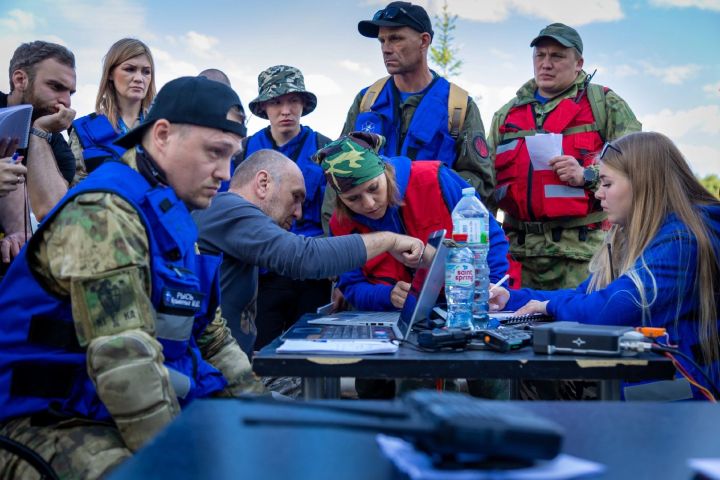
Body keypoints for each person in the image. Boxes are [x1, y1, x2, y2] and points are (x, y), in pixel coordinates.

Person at [0, 76, 264, 479]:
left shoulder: (172, 219)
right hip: (40, 422)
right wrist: (177, 465)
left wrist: (264, 421)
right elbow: (125, 360)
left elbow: (212, 338)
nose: (225, 174)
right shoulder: (105, 212)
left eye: (232, 157)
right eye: (215, 152)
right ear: (162, 135)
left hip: (105, 407)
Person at [489, 132, 720, 401]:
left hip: (682, 400)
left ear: (643, 184)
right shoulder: (641, 235)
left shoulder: (682, 242)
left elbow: (607, 311)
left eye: (607, 183)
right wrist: (511, 299)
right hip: (650, 386)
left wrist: (549, 306)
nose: (598, 193)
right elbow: (586, 296)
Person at [193, 148, 424, 356]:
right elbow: (304, 257)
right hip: (211, 377)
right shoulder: (229, 209)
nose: (299, 214)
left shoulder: (230, 220)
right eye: (295, 197)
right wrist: (390, 240)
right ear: (263, 183)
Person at [488, 23, 642, 290]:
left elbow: (636, 164)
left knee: (578, 330)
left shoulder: (605, 105)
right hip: (517, 257)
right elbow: (485, 182)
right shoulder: (506, 115)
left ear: (578, 63)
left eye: (557, 56)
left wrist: (587, 175)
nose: (546, 64)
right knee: (514, 331)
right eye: (540, 55)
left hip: (583, 258)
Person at [320, 132, 509, 312]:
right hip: (398, 318)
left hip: (470, 306)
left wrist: (492, 285)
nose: (369, 204)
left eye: (373, 188)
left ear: (384, 171)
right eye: (353, 199)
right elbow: (351, 285)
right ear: (339, 198)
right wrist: (387, 296)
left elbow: (490, 236)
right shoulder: (341, 224)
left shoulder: (435, 179)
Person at [336, 1, 493, 206]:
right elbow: (339, 171)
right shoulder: (367, 101)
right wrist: (334, 235)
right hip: (372, 229)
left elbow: (479, 179)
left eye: (395, 39)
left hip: (433, 230)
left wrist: (431, 190)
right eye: (382, 41)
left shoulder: (458, 106)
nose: (386, 49)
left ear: (423, 41)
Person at [236, 65, 334, 349]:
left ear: (304, 104)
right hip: (261, 275)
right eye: (276, 102)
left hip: (312, 272)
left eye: (293, 101)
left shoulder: (326, 150)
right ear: (264, 107)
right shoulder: (243, 152)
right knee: (260, 353)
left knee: (311, 355)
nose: (286, 110)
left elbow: (339, 216)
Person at [2, 40, 76, 222]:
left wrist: (40, 132)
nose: (66, 102)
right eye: (56, 87)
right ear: (20, 80)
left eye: (70, 93)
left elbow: (52, 211)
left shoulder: (57, 145)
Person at [69, 38, 156, 180]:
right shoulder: (84, 131)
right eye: (130, 69)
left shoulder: (162, 128)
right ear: (110, 74)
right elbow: (74, 190)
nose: (139, 78)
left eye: (146, 72)